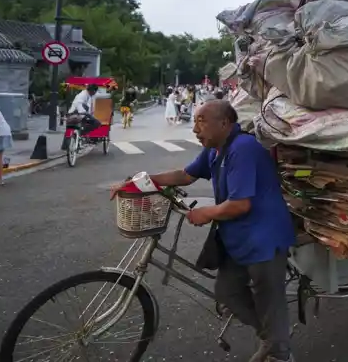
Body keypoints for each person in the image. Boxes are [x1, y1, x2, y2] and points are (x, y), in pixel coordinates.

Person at [112, 101, 296, 362]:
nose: (195, 129)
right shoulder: (214, 150)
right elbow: (185, 175)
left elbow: (240, 204)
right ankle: (273, 335)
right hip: (238, 236)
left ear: (224, 124)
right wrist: (142, 181)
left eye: (201, 121)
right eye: (195, 121)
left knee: (268, 298)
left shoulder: (242, 149)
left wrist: (205, 213)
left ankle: (279, 351)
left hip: (264, 237)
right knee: (227, 292)